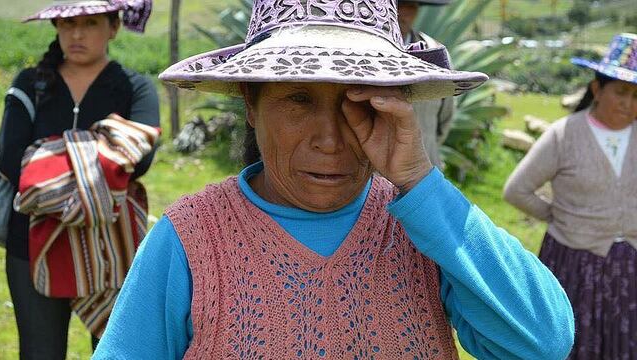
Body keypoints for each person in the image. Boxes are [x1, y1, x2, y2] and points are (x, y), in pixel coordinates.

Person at [94, 0, 574, 359]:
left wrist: (421, 183)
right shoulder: (191, 238)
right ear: (250, 104)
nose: (330, 139)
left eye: (357, 101)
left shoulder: (426, 229)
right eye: (299, 100)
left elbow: (544, 342)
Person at [0, 0, 158, 358]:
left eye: (90, 23)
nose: (77, 33)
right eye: (67, 24)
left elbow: (140, 160)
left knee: (115, 350)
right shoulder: (31, 83)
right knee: (40, 352)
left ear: (113, 27)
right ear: (56, 28)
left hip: (111, 246)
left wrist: (46, 160)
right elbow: (11, 160)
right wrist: (103, 150)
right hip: (33, 244)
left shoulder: (135, 87)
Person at [504, 33, 637, 359]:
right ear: (596, 88)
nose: (628, 103)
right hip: (576, 264)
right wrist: (558, 215)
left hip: (631, 265)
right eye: (621, 92)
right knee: (577, 344)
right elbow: (516, 190)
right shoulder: (564, 135)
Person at [398, 0, 455, 168]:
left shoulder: (435, 54)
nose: (399, 11)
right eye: (393, 3)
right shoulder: (360, 54)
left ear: (416, 9)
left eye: (408, 5)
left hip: (424, 170)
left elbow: (445, 118)